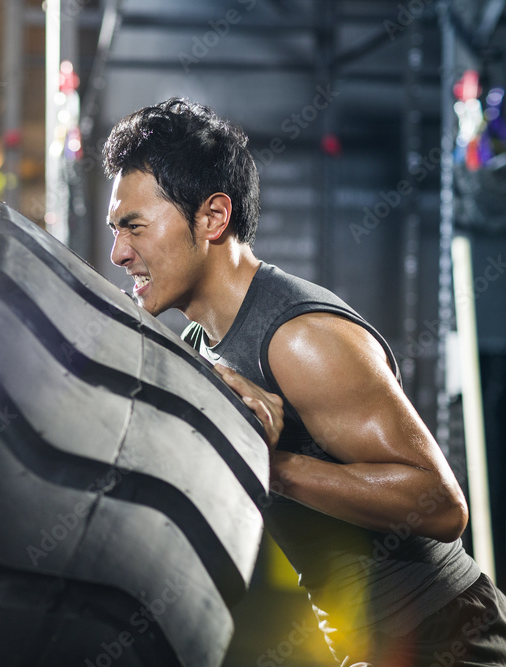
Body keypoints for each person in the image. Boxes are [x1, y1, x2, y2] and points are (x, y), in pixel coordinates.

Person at [102, 97, 506, 666]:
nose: (119, 253)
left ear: (213, 217)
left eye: (134, 228)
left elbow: (440, 506)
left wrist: (268, 463)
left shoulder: (297, 337)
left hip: (446, 637)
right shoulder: (200, 345)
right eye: (116, 231)